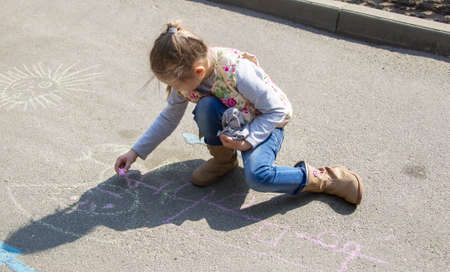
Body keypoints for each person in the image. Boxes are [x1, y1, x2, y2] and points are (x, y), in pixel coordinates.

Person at [114, 22, 363, 205]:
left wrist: (249, 139)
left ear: (199, 71)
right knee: (206, 107)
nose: (175, 91)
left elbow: (278, 110)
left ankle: (325, 179)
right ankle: (224, 161)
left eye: (176, 85)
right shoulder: (187, 77)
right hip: (234, 126)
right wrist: (135, 152)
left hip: (265, 125)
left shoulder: (236, 70)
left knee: (258, 178)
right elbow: (169, 116)